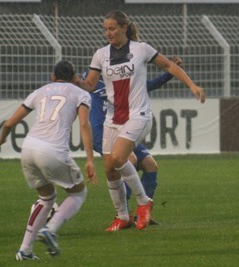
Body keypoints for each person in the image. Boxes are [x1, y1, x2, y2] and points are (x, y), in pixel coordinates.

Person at [74, 10, 205, 232]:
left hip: (138, 116)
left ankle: (143, 202)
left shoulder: (141, 49)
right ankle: (122, 216)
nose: (108, 33)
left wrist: (192, 85)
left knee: (117, 158)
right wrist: (75, 81)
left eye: (112, 28)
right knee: (109, 168)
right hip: (112, 119)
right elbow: (90, 85)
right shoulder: (100, 55)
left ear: (124, 27)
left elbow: (168, 66)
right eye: (105, 29)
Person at [0, 60, 97, 260]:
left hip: (29, 148)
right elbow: (84, 124)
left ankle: (25, 250)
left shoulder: (40, 91)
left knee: (47, 198)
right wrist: (90, 159)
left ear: (52, 76)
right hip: (52, 150)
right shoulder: (81, 93)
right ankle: (50, 229)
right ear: (74, 78)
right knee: (78, 194)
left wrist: (0, 139)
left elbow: (9, 123)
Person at [83, 56, 183, 226]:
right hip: (102, 132)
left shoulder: (124, 79)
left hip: (122, 129)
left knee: (150, 165)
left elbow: (148, 86)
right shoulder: (91, 80)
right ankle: (123, 215)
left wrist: (169, 73)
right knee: (131, 161)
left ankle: (142, 214)